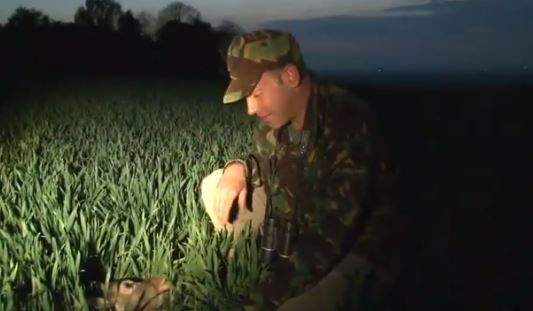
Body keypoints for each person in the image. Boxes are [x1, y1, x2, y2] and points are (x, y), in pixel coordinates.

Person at [200, 29, 405, 310]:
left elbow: (330, 236)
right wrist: (237, 169)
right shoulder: (277, 117)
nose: (250, 108)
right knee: (216, 183)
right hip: (300, 219)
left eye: (257, 93)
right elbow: (265, 162)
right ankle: (246, 253)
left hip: (358, 245)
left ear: (290, 76)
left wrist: (260, 298)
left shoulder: (350, 123)